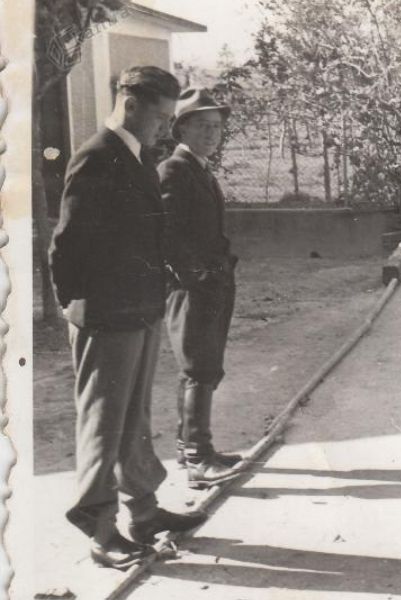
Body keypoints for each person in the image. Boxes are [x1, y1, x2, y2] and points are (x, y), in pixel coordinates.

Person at [49, 66, 208, 570]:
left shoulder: (137, 155)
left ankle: (144, 513)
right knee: (103, 425)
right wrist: (77, 306)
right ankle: (100, 533)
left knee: (134, 420)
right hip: (107, 316)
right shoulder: (96, 156)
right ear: (131, 104)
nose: (166, 128)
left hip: (140, 309)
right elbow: (65, 244)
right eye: (162, 117)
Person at [158, 88, 244, 489]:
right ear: (181, 128)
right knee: (198, 367)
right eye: (203, 126)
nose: (212, 134)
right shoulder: (175, 170)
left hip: (211, 284)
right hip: (192, 289)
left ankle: (188, 446)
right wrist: (197, 276)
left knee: (203, 365)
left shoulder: (199, 168)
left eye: (217, 127)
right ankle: (198, 458)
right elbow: (167, 235)